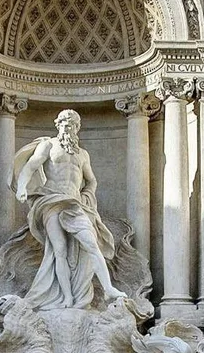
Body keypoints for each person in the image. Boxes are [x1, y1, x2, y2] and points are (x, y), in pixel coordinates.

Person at [13, 109, 129, 311]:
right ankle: (67, 298)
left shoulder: (82, 154)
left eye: (72, 123)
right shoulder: (48, 145)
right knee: (59, 251)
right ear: (57, 125)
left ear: (77, 128)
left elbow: (91, 181)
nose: (67, 126)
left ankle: (109, 288)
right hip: (51, 201)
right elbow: (30, 167)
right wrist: (22, 187)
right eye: (64, 123)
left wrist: (88, 197)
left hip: (75, 204)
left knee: (91, 244)